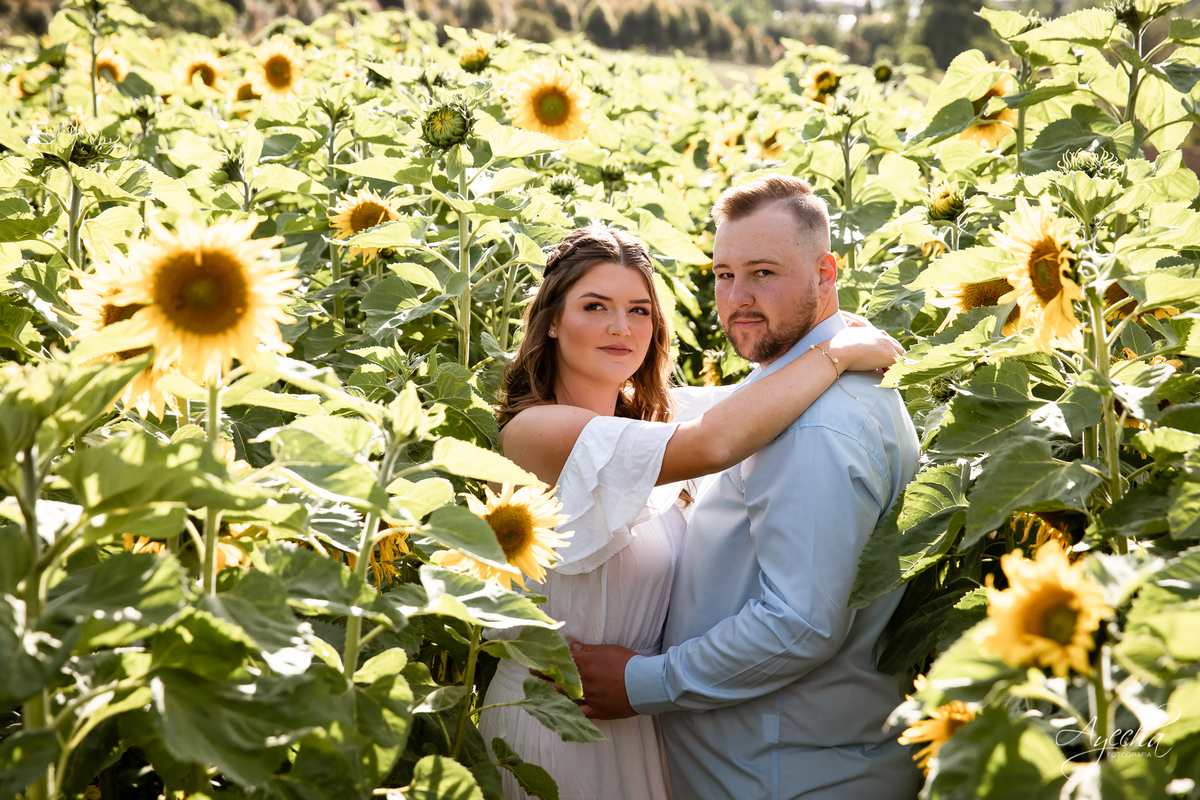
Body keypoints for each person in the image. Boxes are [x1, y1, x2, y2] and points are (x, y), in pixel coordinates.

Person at [479, 219, 904, 800]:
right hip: (558, 718)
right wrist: (834, 353)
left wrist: (827, 329)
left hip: (638, 721)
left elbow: (752, 397)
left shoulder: (647, 420)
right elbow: (713, 442)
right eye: (595, 306)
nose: (621, 327)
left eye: (639, 310)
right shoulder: (537, 432)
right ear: (552, 320)